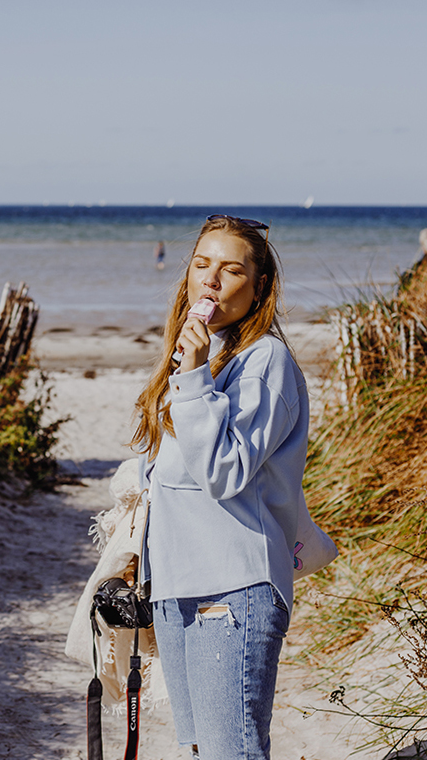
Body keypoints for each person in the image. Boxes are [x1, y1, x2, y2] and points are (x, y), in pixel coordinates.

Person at [130, 214, 307, 760]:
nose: (211, 280)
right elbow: (160, 473)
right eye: (201, 265)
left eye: (232, 271)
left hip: (232, 587)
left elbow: (226, 471)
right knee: (202, 750)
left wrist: (192, 376)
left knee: (233, 752)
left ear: (259, 289)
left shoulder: (263, 362)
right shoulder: (198, 357)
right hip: (177, 586)